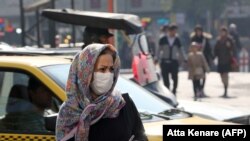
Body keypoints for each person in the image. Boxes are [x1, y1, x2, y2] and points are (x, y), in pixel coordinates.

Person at [56, 43, 147, 141]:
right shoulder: (69, 112)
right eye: (102, 69)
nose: (108, 74)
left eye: (111, 69)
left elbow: (140, 136)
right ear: (86, 74)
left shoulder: (123, 104)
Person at [156, 23, 186, 95]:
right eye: (173, 31)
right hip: (164, 61)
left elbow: (181, 50)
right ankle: (167, 92)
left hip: (174, 61)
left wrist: (184, 58)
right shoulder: (163, 39)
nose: (175, 33)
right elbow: (159, 50)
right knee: (165, 78)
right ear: (169, 31)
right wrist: (156, 58)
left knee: (175, 77)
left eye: (176, 31)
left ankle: (174, 90)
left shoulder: (177, 40)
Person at [190, 25, 213, 97]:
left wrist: (212, 57)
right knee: (195, 76)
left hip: (203, 59)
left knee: (203, 76)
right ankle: (197, 89)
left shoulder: (205, 39)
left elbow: (209, 49)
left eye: (200, 31)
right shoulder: (193, 39)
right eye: (197, 31)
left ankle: (201, 89)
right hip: (195, 60)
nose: (198, 32)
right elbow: (190, 48)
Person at [214, 26, 235, 98]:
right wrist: (214, 57)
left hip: (227, 60)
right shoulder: (218, 40)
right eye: (221, 31)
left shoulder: (229, 39)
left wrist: (229, 46)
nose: (223, 33)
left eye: (224, 31)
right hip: (220, 60)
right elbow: (215, 49)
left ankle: (225, 90)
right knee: (221, 75)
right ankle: (224, 85)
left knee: (226, 75)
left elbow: (233, 48)